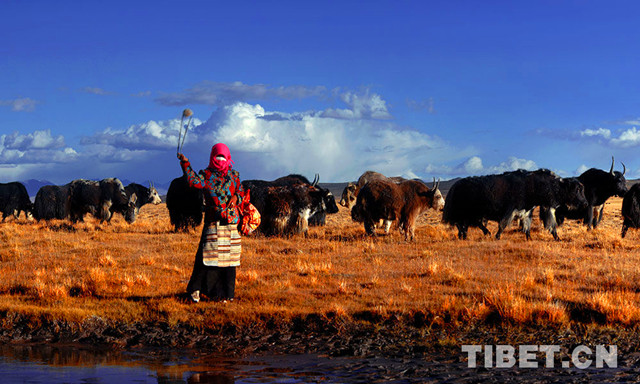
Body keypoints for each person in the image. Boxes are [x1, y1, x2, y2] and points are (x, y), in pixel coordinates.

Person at [177, 143, 245, 302]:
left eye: (223, 157)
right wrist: (185, 163)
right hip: (213, 223)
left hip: (230, 224)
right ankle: (195, 291)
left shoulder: (234, 176)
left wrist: (236, 198)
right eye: (217, 157)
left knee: (229, 261)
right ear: (212, 157)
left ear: (228, 158)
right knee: (205, 258)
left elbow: (241, 191)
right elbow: (193, 182)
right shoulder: (206, 175)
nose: (220, 160)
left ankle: (226, 295)